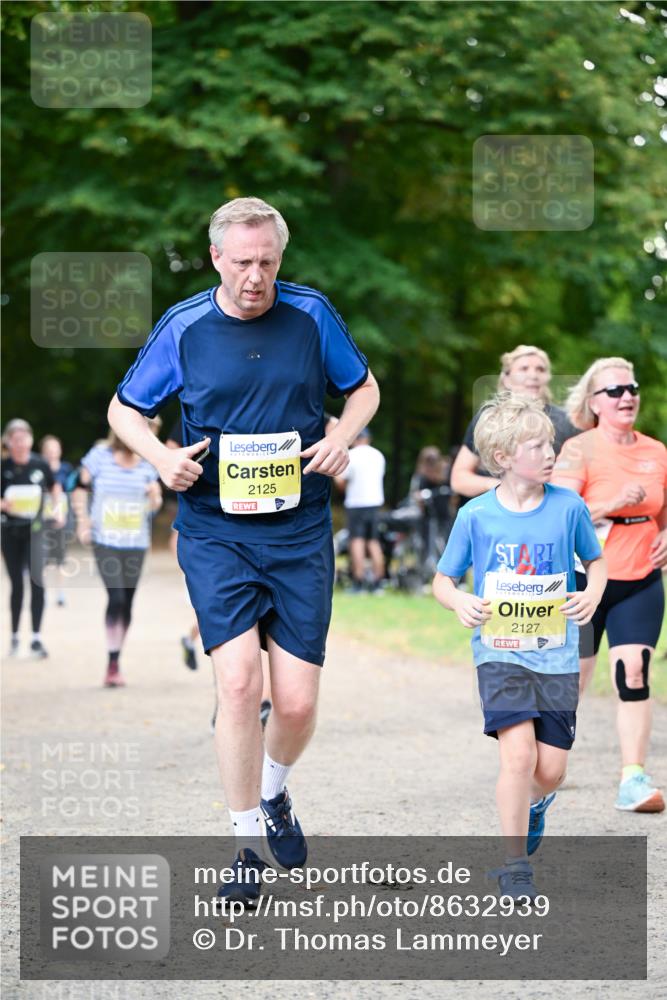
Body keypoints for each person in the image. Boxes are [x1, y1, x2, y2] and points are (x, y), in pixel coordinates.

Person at [107, 196, 379, 904]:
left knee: (293, 704)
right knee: (237, 686)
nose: (255, 277)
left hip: (298, 532)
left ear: (278, 259)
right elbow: (123, 409)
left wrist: (343, 436)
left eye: (267, 262)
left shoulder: (311, 316)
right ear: (216, 258)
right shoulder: (185, 326)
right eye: (242, 262)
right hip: (214, 529)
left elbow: (363, 388)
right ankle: (244, 842)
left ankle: (274, 791)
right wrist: (160, 457)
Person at [433, 395, 606, 898]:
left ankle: (534, 805)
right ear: (504, 457)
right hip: (500, 651)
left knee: (549, 771)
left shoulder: (569, 507)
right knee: (518, 757)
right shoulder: (476, 515)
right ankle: (514, 867)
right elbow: (442, 580)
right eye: (538, 446)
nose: (550, 453)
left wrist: (592, 593)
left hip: (555, 653)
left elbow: (596, 563)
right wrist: (458, 602)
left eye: (550, 444)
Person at [552, 357, 667, 813]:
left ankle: (632, 778)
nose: (627, 397)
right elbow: (559, 516)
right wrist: (612, 503)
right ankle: (550, 766)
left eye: (632, 388)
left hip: (640, 579)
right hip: (584, 583)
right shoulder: (578, 450)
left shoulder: (657, 451)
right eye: (615, 391)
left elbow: (662, 510)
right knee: (573, 680)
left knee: (633, 673)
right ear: (593, 403)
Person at [72, 424, 162, 687]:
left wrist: (155, 497)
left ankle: (116, 658)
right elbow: (78, 488)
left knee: (128, 602)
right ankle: (112, 662)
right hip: (105, 539)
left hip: (136, 541)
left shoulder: (148, 464)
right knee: (117, 596)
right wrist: (82, 521)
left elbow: (153, 507)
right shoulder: (99, 456)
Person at [451, 345, 578, 499]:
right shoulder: (489, 419)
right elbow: (459, 479)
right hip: (498, 514)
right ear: (506, 379)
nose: (533, 375)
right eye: (524, 369)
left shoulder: (567, 421)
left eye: (540, 369)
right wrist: (502, 487)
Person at [1, 419, 63, 658]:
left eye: (24, 439)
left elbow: (54, 486)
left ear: (30, 439)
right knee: (17, 584)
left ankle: (36, 638)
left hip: (36, 532)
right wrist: (4, 504)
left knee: (37, 582)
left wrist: (57, 507)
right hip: (9, 532)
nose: (20, 444)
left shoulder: (40, 464)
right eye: (15, 440)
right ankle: (15, 636)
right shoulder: (3, 467)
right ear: (8, 441)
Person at [335, 427, 386, 593]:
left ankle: (359, 581)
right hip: (375, 502)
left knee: (356, 541)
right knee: (373, 541)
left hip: (356, 503)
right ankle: (378, 581)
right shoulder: (378, 455)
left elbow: (341, 483)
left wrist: (335, 476)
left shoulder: (352, 455)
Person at [40, 435, 74, 607]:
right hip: (42, 519)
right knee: (43, 559)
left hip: (62, 518)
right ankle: (42, 593)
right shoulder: (39, 468)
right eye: (49, 450)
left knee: (60, 558)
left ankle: (60, 593)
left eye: (55, 449)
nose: (52, 453)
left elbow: (70, 492)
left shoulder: (66, 469)